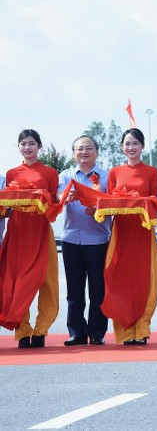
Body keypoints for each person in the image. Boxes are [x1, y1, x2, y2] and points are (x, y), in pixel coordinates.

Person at [0, 130, 59, 348]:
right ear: (18, 147)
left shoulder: (50, 173)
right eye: (23, 143)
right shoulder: (11, 173)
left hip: (42, 230)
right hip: (17, 232)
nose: (27, 147)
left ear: (39, 146)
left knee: (48, 281)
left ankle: (41, 330)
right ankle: (23, 330)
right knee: (18, 281)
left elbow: (53, 203)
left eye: (32, 143)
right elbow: (6, 206)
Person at [104, 128, 157, 345]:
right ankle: (124, 331)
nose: (131, 147)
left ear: (142, 146)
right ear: (121, 147)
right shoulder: (115, 172)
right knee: (120, 280)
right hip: (121, 233)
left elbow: (155, 200)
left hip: (143, 232)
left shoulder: (151, 172)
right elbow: (109, 203)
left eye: (135, 143)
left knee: (145, 279)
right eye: (127, 143)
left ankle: (142, 328)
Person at [58, 135, 112, 346]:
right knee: (74, 290)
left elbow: (113, 205)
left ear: (97, 152)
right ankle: (76, 332)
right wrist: (65, 195)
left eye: (89, 148)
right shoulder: (66, 175)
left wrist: (100, 209)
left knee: (98, 290)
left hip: (98, 240)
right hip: (71, 240)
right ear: (74, 154)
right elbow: (58, 195)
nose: (84, 152)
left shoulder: (107, 177)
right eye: (80, 149)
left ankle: (97, 333)